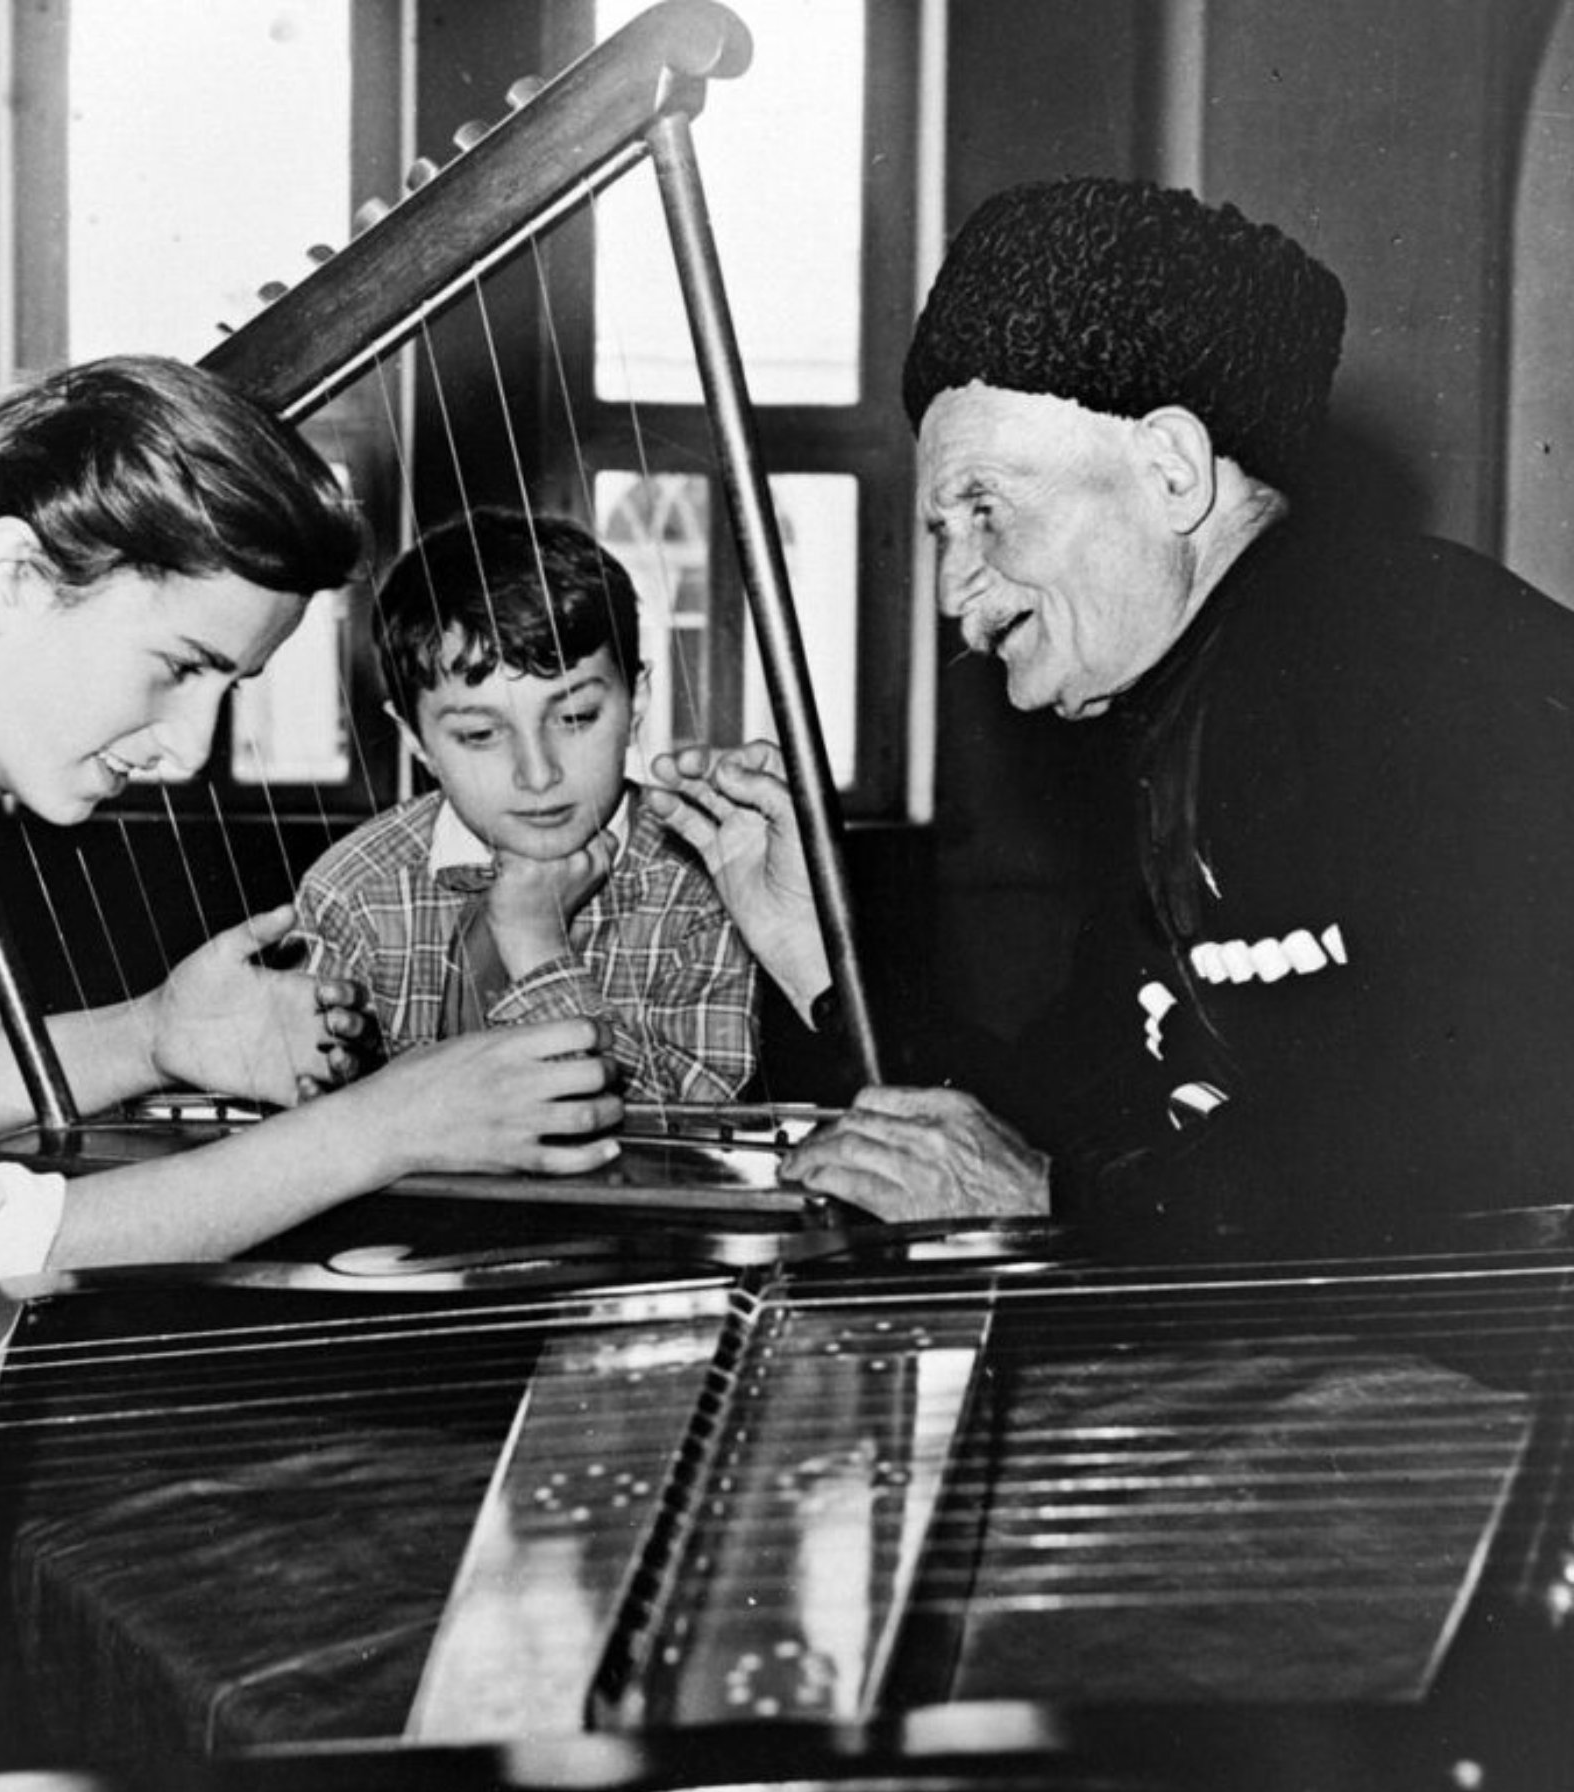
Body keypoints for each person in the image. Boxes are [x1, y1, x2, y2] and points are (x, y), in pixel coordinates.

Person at [0, 358, 623, 1630]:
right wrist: (379, 1130)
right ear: (11, 582)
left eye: (229, 690)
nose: (189, 749)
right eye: (177, 666)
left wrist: (158, 1035)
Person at [649, 175, 1574, 1242]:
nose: (955, 594)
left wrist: (1060, 1200)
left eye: (985, 508)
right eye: (944, 532)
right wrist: (815, 949)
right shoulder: (1167, 725)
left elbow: (1490, 1134)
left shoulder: (1415, 654)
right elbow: (1051, 1125)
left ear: (1172, 469)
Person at [292, 506, 758, 1105]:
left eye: (574, 717)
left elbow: (690, 1135)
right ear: (415, 740)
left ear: (636, 701)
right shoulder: (349, 891)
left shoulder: (702, 883)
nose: (538, 774)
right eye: (480, 735)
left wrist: (537, 950)